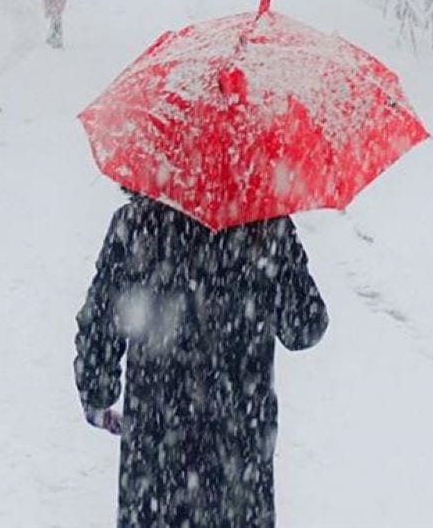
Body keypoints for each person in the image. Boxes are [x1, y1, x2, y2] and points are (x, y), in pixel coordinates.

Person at [74, 192, 329, 527]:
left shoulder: (137, 223)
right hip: (239, 445)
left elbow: (100, 322)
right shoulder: (264, 229)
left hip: (156, 442)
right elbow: (304, 328)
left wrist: (98, 393)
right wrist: (279, 247)